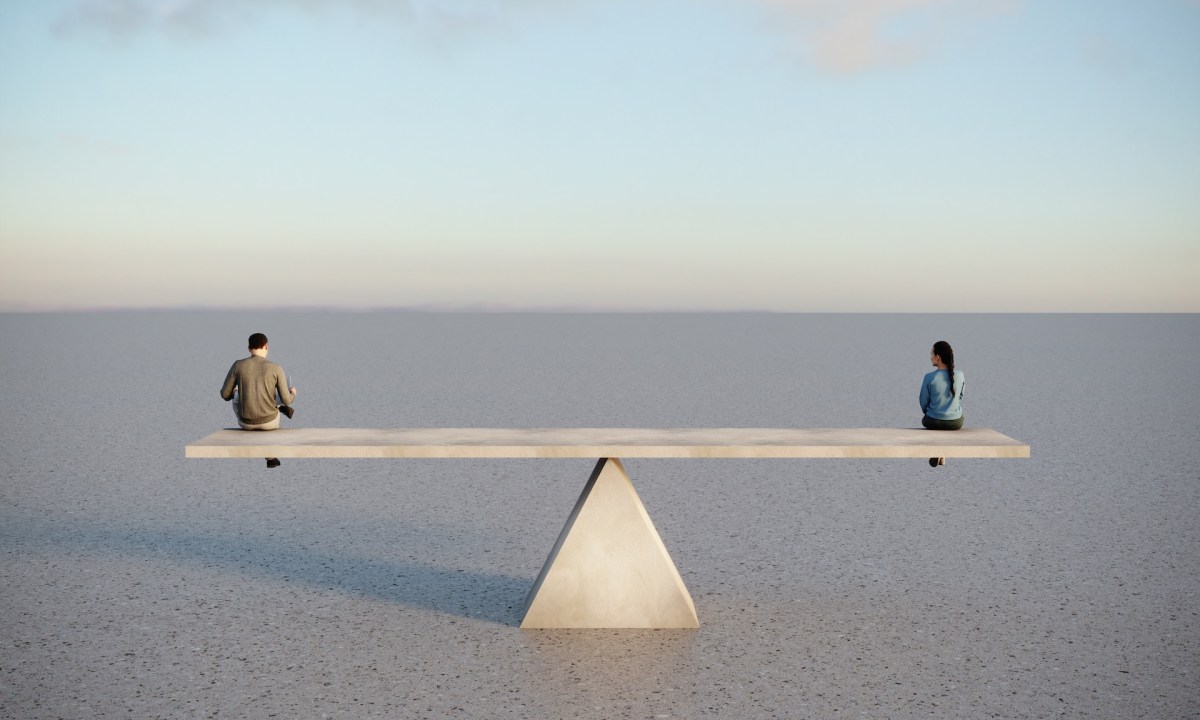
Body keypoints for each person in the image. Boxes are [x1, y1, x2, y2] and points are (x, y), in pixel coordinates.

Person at [220, 332, 296, 468]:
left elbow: (225, 395)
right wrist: (293, 393)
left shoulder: (238, 365)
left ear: (249, 348)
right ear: (266, 346)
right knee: (276, 397)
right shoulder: (276, 368)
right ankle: (271, 457)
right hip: (270, 422)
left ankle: (277, 409)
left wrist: (238, 392)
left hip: (246, 423)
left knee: (237, 394)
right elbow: (287, 399)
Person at [919, 340, 964, 468]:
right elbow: (960, 397)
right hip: (954, 422)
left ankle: (938, 451)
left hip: (933, 421)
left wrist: (931, 412)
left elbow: (923, 402)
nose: (930, 356)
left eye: (931, 353)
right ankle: (940, 452)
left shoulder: (929, 377)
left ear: (938, 357)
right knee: (959, 418)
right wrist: (951, 410)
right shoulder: (960, 375)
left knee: (930, 421)